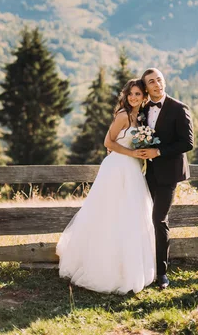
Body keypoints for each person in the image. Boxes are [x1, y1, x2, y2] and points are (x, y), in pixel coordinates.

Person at [56, 79, 156, 294]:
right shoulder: (122, 115)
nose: (133, 97)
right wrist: (132, 153)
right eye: (130, 94)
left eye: (137, 94)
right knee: (109, 213)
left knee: (130, 214)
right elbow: (108, 143)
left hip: (132, 170)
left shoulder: (139, 118)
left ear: (144, 97)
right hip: (117, 167)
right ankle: (102, 268)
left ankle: (126, 267)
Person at [140, 68, 194, 289]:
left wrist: (158, 152)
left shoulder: (179, 109)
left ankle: (162, 273)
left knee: (159, 220)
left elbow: (187, 143)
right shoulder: (142, 109)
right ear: (146, 87)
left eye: (159, 80)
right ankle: (144, 267)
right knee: (142, 219)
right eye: (152, 82)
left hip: (169, 174)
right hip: (146, 174)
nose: (157, 84)